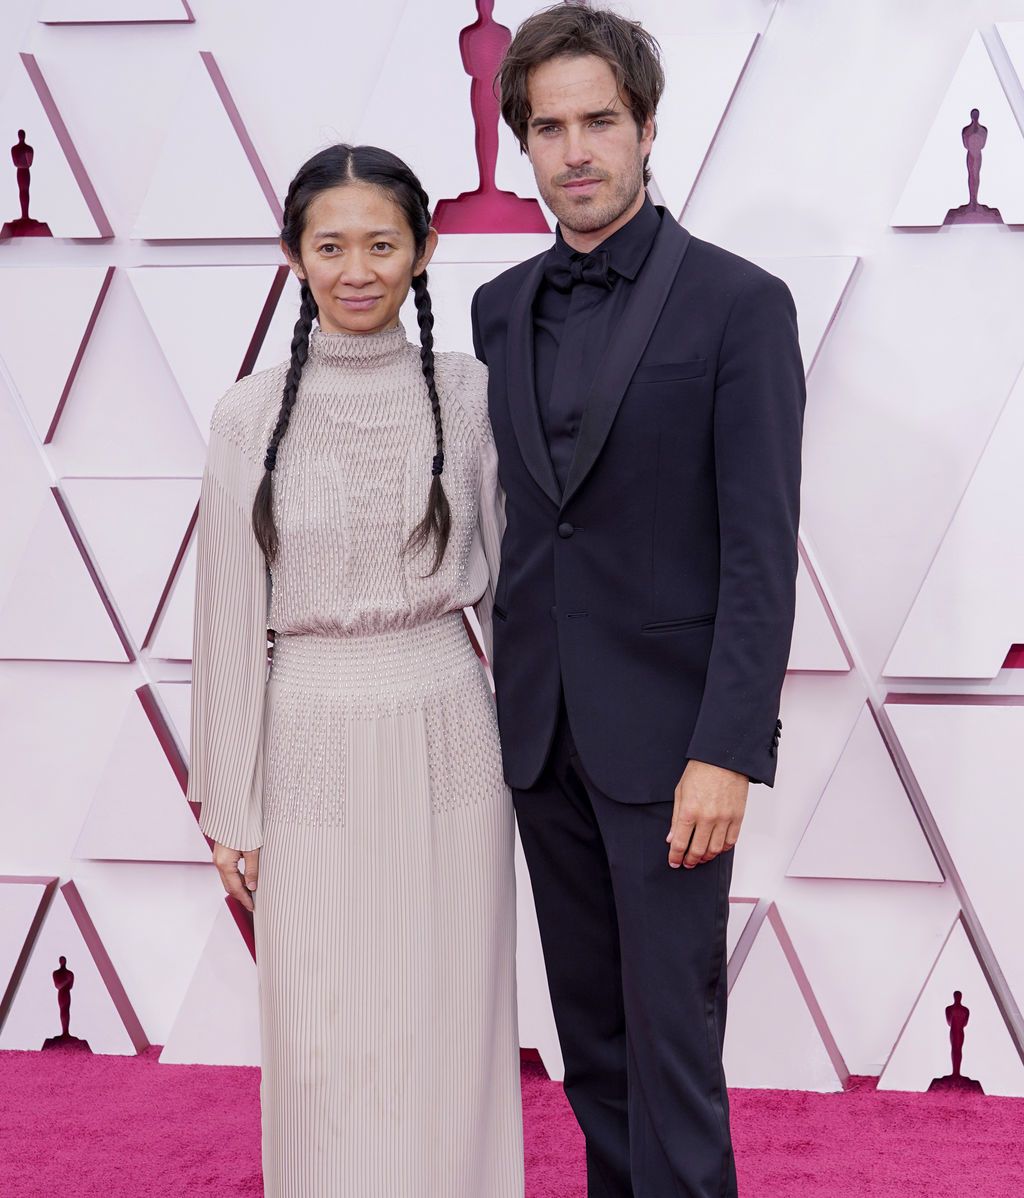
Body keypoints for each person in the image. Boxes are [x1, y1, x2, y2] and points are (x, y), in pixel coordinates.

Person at [471, 6, 806, 1196]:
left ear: (646, 127)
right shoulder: (498, 309)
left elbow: (762, 551)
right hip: (542, 735)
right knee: (592, 1049)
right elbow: (532, 524)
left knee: (672, 1052)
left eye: (599, 120)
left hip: (673, 751)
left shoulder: (739, 304)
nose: (575, 151)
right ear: (523, 142)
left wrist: (727, 748)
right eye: (549, 127)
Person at [186, 144, 524, 1198]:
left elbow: (516, 595)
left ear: (423, 251)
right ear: (294, 256)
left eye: (382, 243)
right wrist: (225, 802)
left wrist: (554, 760)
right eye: (330, 246)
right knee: (321, 1019)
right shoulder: (251, 412)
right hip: (308, 732)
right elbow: (231, 612)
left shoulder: (472, 397)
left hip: (450, 722)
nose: (357, 269)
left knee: (451, 1009)